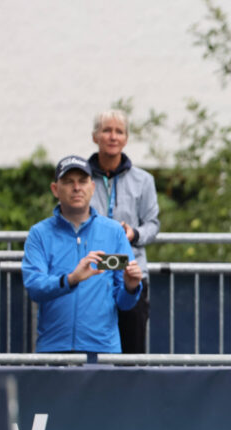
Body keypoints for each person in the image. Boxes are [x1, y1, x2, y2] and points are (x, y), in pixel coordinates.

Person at [21, 156, 143, 353]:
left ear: (92, 187)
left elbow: (125, 304)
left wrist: (131, 287)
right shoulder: (39, 233)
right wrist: (70, 279)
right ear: (55, 189)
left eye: (82, 181)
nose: (76, 187)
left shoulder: (114, 232)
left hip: (102, 351)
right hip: (53, 350)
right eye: (68, 181)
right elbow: (34, 287)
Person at [88, 109, 160, 354]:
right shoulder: (80, 179)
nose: (112, 136)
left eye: (119, 131)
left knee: (132, 350)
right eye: (106, 130)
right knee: (91, 350)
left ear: (126, 139)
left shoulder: (144, 180)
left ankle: (133, 393)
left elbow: (153, 224)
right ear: (95, 136)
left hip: (130, 272)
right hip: (92, 273)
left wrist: (134, 234)